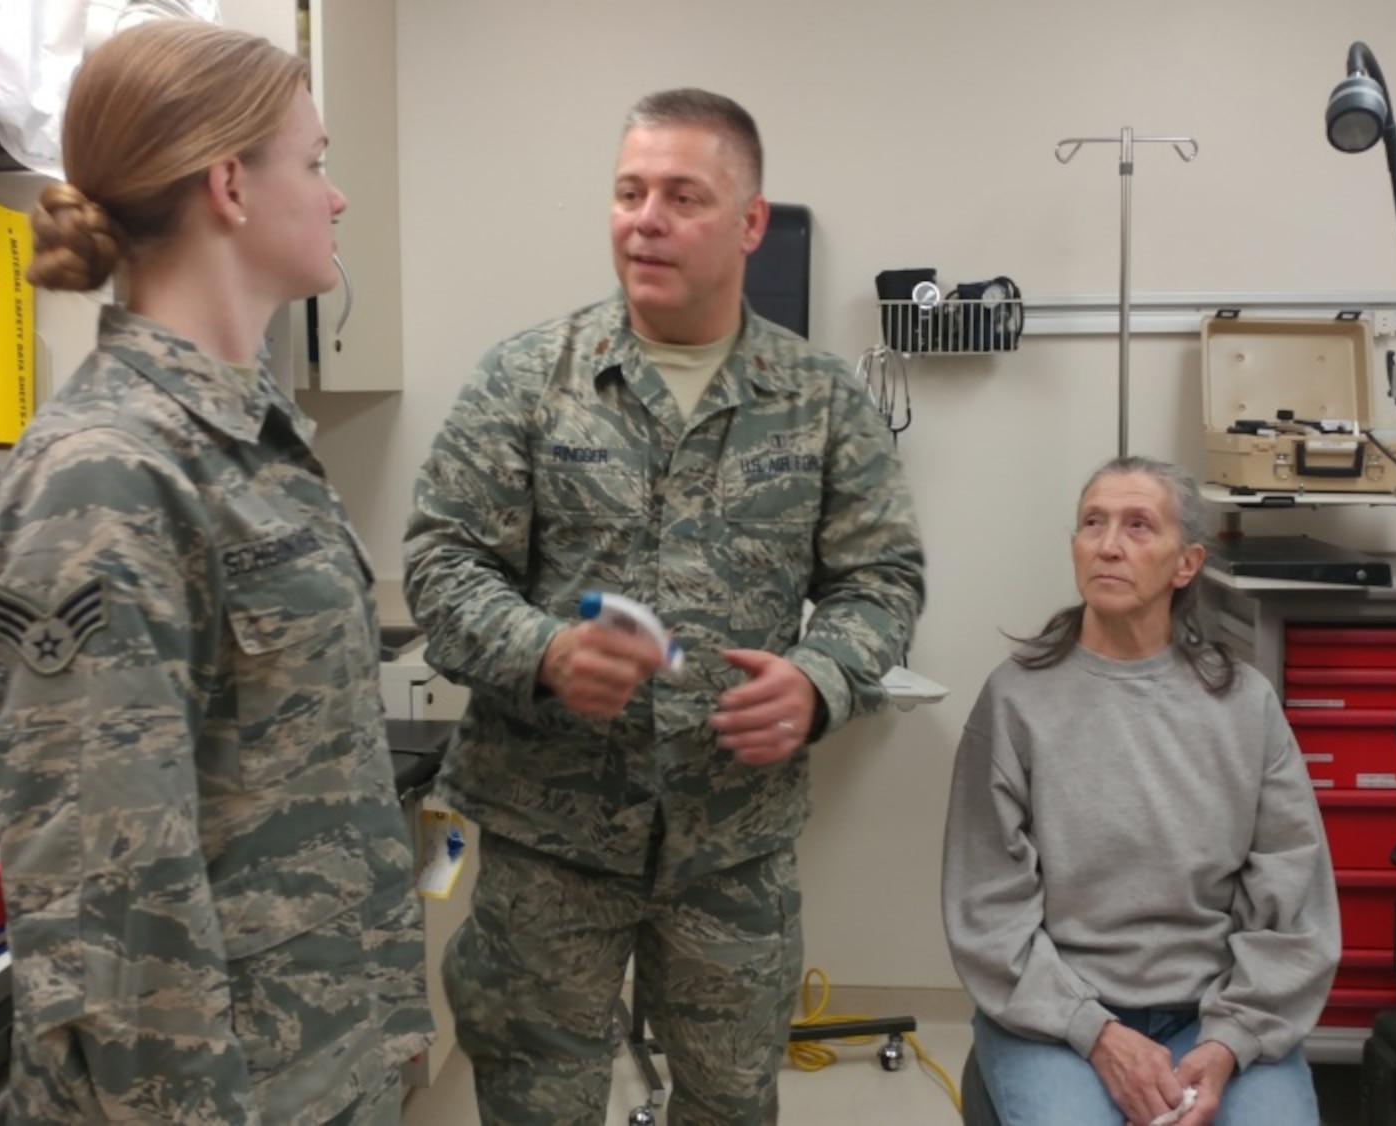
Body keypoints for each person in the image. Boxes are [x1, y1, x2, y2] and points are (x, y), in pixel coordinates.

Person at [402, 88, 926, 1124]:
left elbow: (882, 582)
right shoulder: (526, 379)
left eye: (681, 195)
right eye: (627, 191)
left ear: (747, 224)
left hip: (730, 848)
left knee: (731, 1104)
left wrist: (819, 684)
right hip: (549, 842)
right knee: (536, 1106)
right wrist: (542, 649)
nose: (644, 217)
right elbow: (440, 562)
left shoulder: (819, 399)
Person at [0, 21, 428, 1125]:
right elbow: (109, 907)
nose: (337, 197)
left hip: (321, 1059)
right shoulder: (106, 474)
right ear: (229, 183)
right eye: (314, 163)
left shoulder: (249, 436)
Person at [942, 456, 1339, 1126]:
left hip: (1214, 1012)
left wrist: (1226, 1043)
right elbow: (987, 910)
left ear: (1186, 565)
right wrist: (1093, 1032)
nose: (1108, 545)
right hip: (1059, 1017)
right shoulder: (1016, 701)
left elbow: (1293, 904)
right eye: (1092, 523)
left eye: (1137, 526)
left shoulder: (1245, 705)